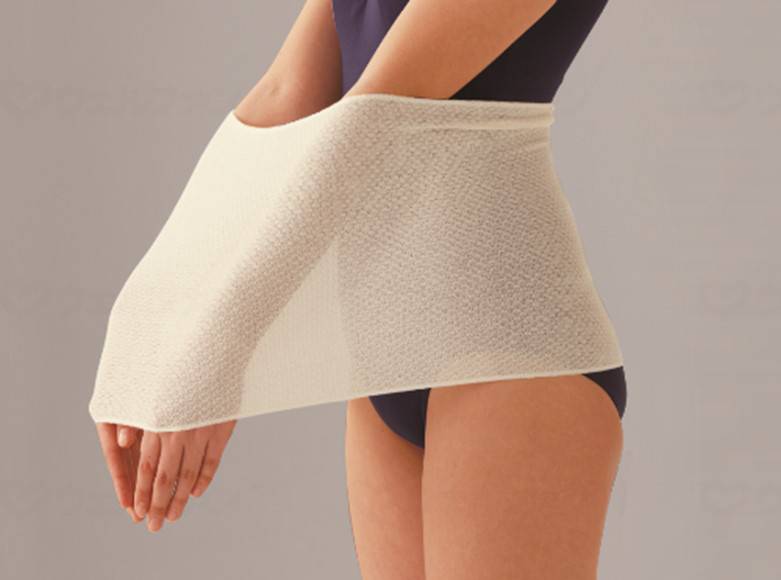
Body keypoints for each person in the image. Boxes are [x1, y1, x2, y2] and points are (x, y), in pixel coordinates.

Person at [95, 0, 627, 578]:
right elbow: (282, 98)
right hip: (385, 352)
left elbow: (377, 114)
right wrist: (143, 336)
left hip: (511, 346)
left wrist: (216, 349)